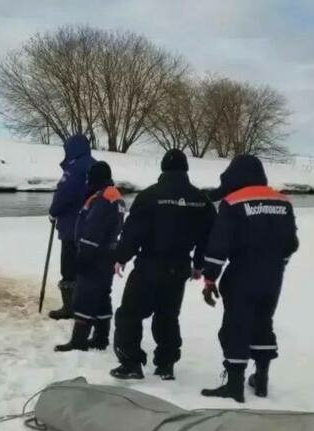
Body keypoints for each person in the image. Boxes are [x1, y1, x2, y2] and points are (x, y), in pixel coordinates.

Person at [199, 155, 299, 403]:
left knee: (236, 325)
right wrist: (279, 262)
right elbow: (291, 243)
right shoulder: (283, 201)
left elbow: (219, 244)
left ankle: (234, 385)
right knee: (263, 322)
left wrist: (210, 278)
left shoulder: (233, 202)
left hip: (242, 273)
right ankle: (262, 379)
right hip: (273, 274)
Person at [109, 149, 214, 380]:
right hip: (179, 268)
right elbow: (208, 236)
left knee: (130, 314)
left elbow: (133, 231)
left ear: (163, 168)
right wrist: (199, 264)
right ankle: (166, 364)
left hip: (149, 265)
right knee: (167, 315)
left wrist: (121, 257)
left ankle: (131, 363)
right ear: (185, 169)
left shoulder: (149, 196)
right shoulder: (200, 200)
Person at [55, 161, 125, 352]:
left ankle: (79, 340)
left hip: (94, 255)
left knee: (84, 295)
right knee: (102, 295)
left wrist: (84, 256)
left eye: (90, 177)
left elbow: (93, 229)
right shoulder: (115, 196)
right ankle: (101, 337)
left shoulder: (103, 199)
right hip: (107, 255)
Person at [47, 134, 96, 320]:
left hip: (71, 226)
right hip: (92, 227)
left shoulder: (74, 169)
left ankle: (70, 307)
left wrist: (53, 212)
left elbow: (63, 195)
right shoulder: (95, 165)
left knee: (69, 268)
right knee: (86, 268)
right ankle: (86, 305)